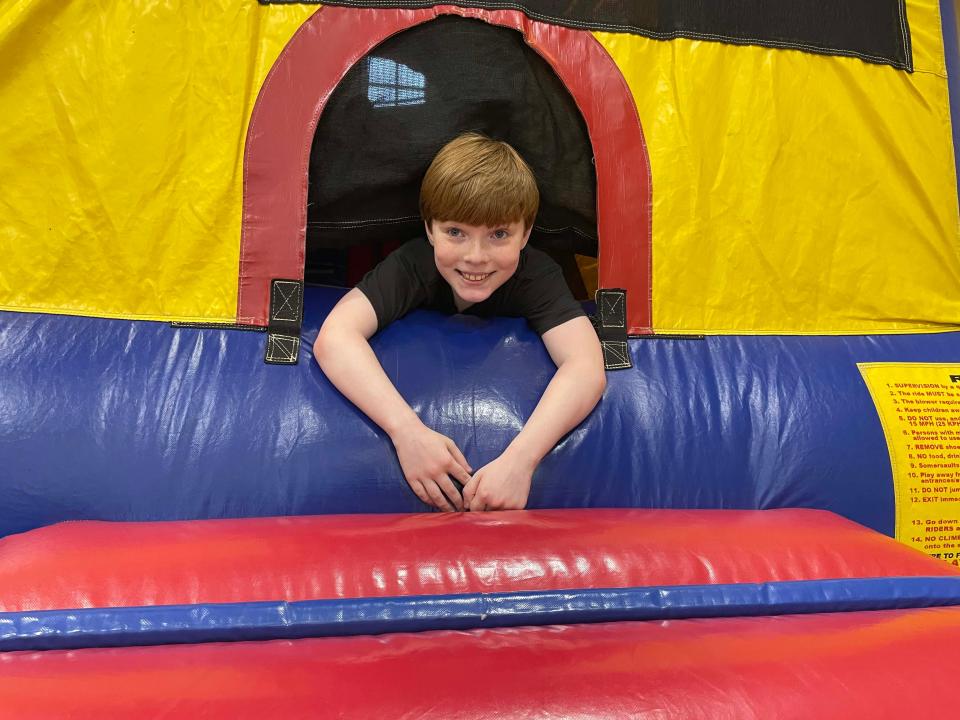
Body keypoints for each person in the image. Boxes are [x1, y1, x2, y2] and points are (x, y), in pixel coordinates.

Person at [313, 133, 605, 512]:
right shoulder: (412, 264)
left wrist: (521, 460)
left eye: (499, 234)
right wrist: (407, 433)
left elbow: (585, 365)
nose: (475, 257)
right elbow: (335, 336)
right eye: (456, 233)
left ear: (526, 234)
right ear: (430, 229)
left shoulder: (536, 275)